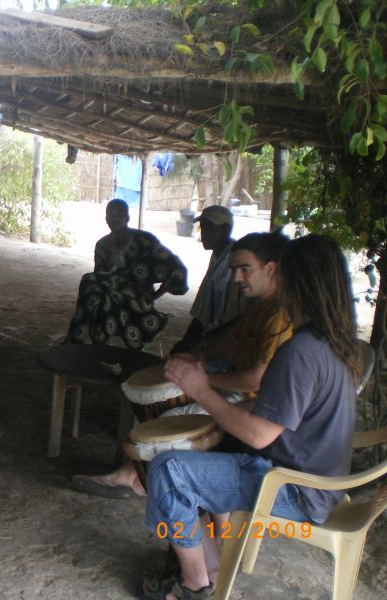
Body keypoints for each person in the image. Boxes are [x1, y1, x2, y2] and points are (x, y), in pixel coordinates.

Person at [137, 234, 360, 600]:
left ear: (296, 281)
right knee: (207, 455)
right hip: (320, 486)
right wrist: (216, 408)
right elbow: (273, 407)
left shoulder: (301, 351)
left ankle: (195, 584)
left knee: (168, 469)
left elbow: (258, 435)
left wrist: (202, 390)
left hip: (293, 491)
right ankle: (210, 552)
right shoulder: (333, 343)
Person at [71, 231, 292, 498]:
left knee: (172, 416)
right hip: (240, 389)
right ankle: (138, 474)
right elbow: (232, 342)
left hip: (255, 403)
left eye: (245, 269)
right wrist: (198, 358)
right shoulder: (260, 305)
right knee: (168, 401)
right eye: (234, 270)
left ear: (270, 269)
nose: (236, 278)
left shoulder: (279, 314)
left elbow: (256, 379)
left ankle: (133, 478)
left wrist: (203, 381)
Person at [67, 199, 188, 349]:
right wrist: (111, 257)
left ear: (128, 217)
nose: (114, 219)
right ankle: (99, 349)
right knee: (92, 287)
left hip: (137, 295)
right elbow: (101, 276)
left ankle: (130, 353)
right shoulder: (102, 245)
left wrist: (155, 295)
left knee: (100, 293)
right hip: (109, 292)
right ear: (106, 220)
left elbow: (176, 268)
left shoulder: (145, 240)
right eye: (110, 215)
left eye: (119, 214)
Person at [171, 205, 244, 354]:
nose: (205, 234)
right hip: (216, 338)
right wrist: (186, 341)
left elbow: (241, 316)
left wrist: (208, 340)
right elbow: (203, 308)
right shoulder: (217, 256)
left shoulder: (236, 259)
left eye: (211, 229)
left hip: (231, 342)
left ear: (226, 230)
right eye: (203, 228)